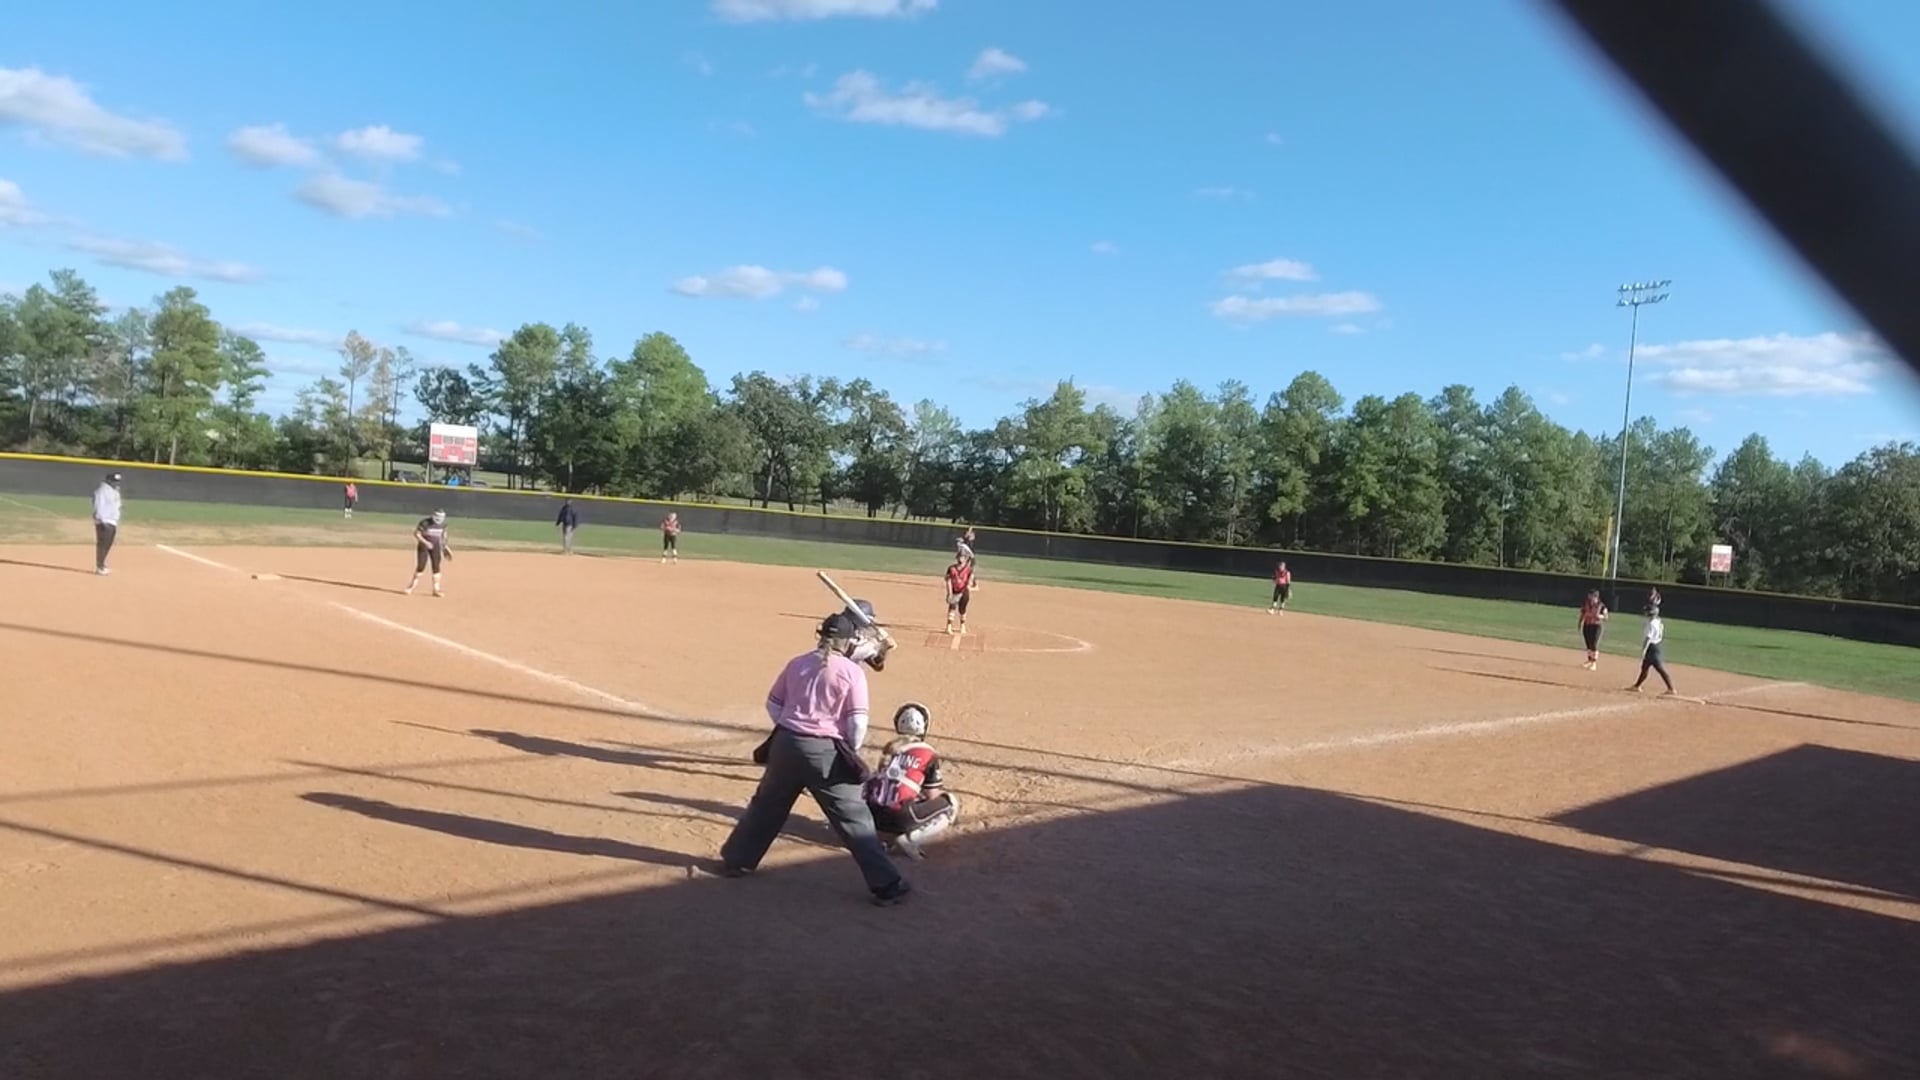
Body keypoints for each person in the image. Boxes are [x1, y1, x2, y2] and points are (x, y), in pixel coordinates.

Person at [722, 611, 912, 906]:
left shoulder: (797, 663)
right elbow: (858, 722)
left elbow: (773, 704)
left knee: (767, 805)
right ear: (848, 642)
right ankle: (886, 884)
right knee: (853, 818)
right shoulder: (851, 672)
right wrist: (848, 749)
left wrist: (791, 728)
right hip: (825, 751)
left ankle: (737, 860)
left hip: (785, 744)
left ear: (820, 635)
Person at [864, 701, 961, 860]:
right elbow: (932, 795)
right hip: (900, 816)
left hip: (874, 816)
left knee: (899, 797)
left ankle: (880, 839)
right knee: (949, 803)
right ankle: (911, 840)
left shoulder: (890, 748)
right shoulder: (927, 752)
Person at [1628, 602, 1676, 696]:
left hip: (1652, 648)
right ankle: (1637, 686)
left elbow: (1648, 638)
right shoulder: (1658, 621)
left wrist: (1644, 649)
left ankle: (1671, 688)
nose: (1645, 613)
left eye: (1647, 612)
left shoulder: (1651, 624)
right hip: (1656, 646)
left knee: (1659, 668)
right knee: (1645, 667)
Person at [405, 509, 453, 597]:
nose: (439, 519)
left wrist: (445, 547)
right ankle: (411, 587)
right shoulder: (425, 523)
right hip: (423, 547)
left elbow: (443, 536)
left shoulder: (443, 525)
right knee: (421, 567)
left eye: (441, 517)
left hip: (436, 547)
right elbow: (417, 534)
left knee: (436, 567)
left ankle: (436, 589)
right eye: (437, 516)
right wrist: (426, 542)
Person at [91, 471, 121, 576]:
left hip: (112, 520)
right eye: (114, 481)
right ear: (108, 480)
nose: (116, 483)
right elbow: (98, 505)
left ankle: (102, 564)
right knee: (102, 544)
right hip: (104, 520)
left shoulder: (115, 491)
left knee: (108, 543)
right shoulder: (102, 491)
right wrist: (101, 519)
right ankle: (99, 566)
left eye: (117, 481)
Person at [944, 552, 976, 635]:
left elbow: (970, 580)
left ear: (966, 559)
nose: (961, 559)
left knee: (962, 609)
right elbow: (948, 581)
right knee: (952, 607)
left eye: (963, 557)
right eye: (959, 557)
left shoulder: (969, 570)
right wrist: (950, 593)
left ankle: (962, 625)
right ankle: (949, 626)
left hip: (964, 591)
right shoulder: (951, 568)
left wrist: (968, 587)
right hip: (955, 591)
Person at [1578, 589, 1609, 670]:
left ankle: (1594, 663)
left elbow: (1606, 617)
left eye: (1591, 596)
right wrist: (1580, 623)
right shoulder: (1586, 604)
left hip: (1596, 626)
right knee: (1588, 643)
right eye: (1589, 596)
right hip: (1587, 625)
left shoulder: (1601, 606)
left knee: (1594, 644)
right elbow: (1582, 613)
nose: (1590, 597)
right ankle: (1589, 660)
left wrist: (1600, 616)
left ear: (1596, 597)